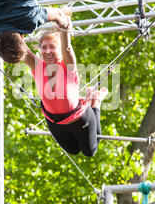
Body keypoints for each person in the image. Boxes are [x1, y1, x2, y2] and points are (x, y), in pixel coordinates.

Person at [17, 25, 108, 157]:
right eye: (44, 47)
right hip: (55, 122)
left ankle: (96, 101)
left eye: (52, 47)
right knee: (73, 150)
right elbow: (19, 46)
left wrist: (63, 25)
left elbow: (67, 47)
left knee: (90, 151)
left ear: (59, 49)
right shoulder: (37, 66)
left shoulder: (68, 65)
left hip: (79, 118)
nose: (47, 51)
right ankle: (94, 98)